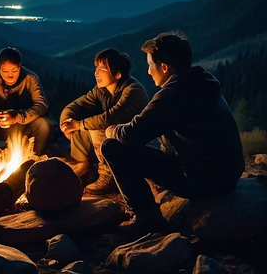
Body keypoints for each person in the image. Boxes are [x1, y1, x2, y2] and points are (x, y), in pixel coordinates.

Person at [101, 31, 245, 233]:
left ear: (164, 67)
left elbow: (130, 135)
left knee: (112, 146)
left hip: (204, 182)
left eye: (151, 65)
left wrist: (110, 129)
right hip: (227, 175)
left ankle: (146, 217)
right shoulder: (201, 82)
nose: (149, 71)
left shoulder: (172, 95)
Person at [59, 48, 148, 194]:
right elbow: (77, 105)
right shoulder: (101, 90)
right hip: (115, 139)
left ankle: (108, 173)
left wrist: (79, 124)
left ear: (118, 74)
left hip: (136, 141)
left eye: (103, 69)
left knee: (95, 125)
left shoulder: (133, 90)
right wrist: (66, 123)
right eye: (96, 68)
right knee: (80, 122)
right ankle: (83, 166)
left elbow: (110, 117)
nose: (96, 73)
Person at [0, 47, 51, 158]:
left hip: (24, 125)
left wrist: (18, 116)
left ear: (20, 67)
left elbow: (42, 105)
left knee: (44, 124)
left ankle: (35, 159)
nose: (10, 75)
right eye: (5, 71)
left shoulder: (30, 78)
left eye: (14, 70)